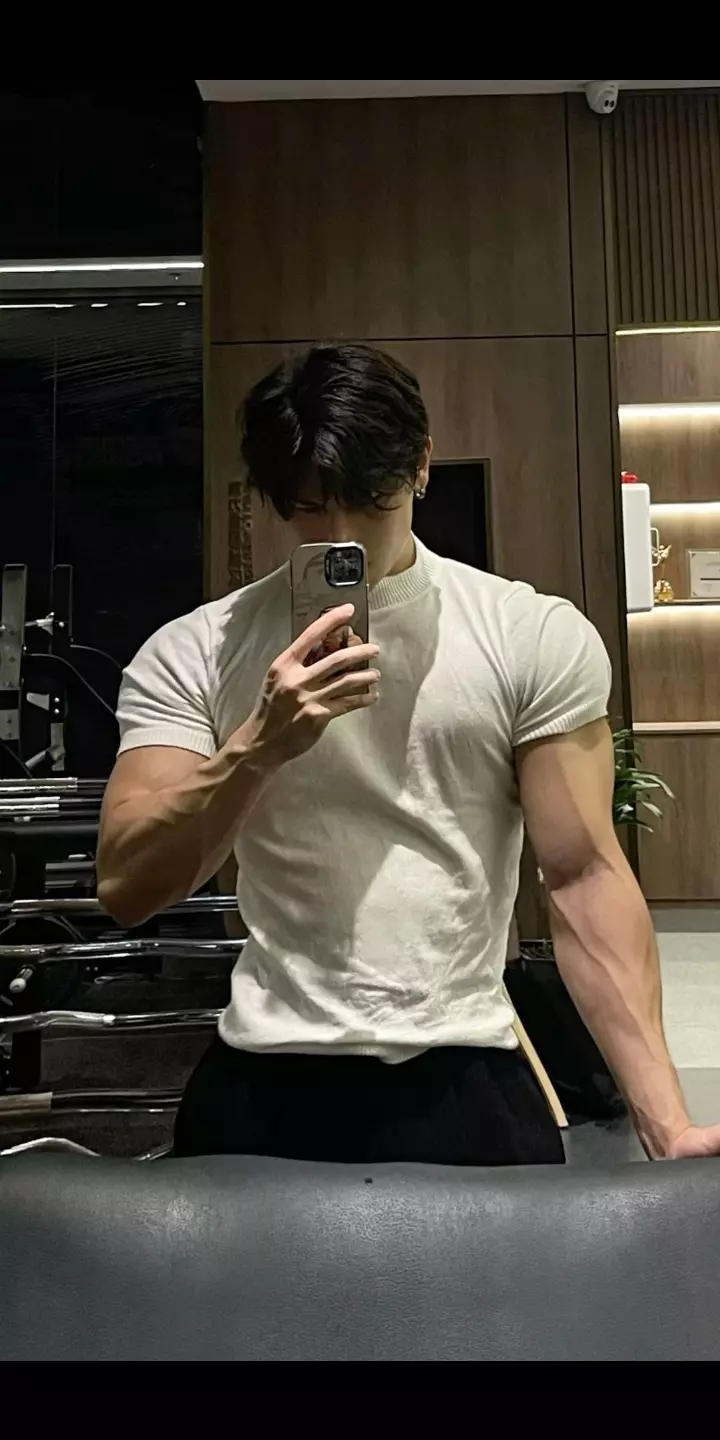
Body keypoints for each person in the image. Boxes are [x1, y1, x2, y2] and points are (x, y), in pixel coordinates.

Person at [97, 343, 720, 1167]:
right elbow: (128, 885)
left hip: (465, 1068)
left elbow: (582, 877)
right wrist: (256, 749)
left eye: (370, 500)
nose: (341, 533)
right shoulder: (195, 652)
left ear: (421, 466)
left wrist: (667, 1124)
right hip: (265, 1073)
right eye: (309, 508)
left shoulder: (528, 635)